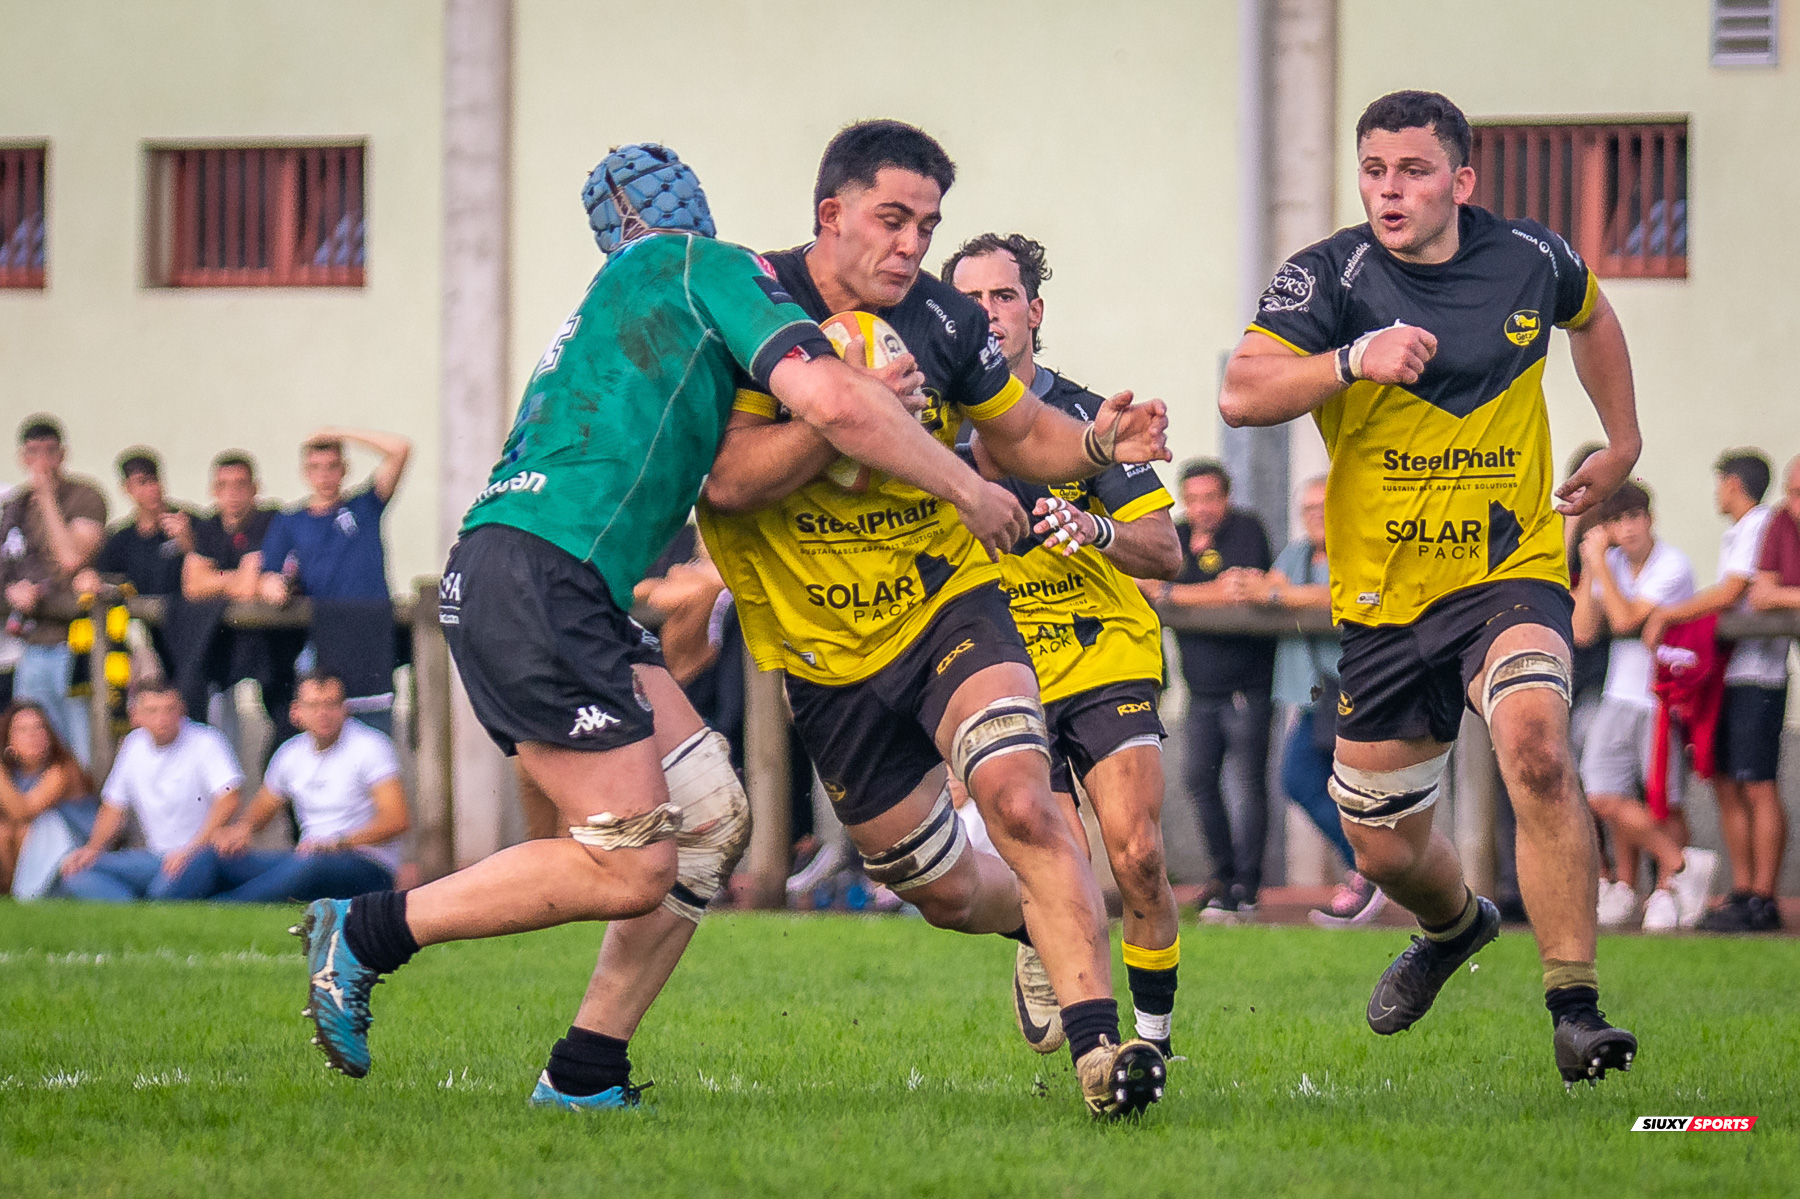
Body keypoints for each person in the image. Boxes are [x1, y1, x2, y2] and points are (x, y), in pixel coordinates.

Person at [293, 142, 1033, 1111]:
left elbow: (727, 469)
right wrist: (960, 478)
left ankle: (586, 1068)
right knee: (633, 861)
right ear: (696, 210)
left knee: (712, 818)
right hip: (541, 578)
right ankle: (367, 930)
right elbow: (825, 399)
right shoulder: (706, 268)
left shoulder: (626, 294)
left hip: (548, 578)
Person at [696, 120, 1172, 1117]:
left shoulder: (946, 323)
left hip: (947, 601)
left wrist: (1095, 438)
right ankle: (1036, 925)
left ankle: (1098, 1050)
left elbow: (1027, 434)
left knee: (1023, 799)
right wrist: (844, 412)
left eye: (927, 224)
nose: (912, 245)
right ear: (831, 215)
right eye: (893, 219)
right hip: (826, 647)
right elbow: (731, 482)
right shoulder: (747, 307)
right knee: (944, 888)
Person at [1219, 90, 1644, 1087]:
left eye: (1411, 170)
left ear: (1462, 180)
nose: (1388, 189)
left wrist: (1622, 442)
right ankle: (1455, 925)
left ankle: (1574, 1006)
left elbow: (1595, 314)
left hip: (1509, 569)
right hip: (1383, 603)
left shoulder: (1531, 256)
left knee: (1536, 746)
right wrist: (1349, 358)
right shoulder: (1329, 274)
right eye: (1373, 170)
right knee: (1379, 847)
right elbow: (1240, 393)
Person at [944, 231, 1185, 1056]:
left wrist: (1094, 526)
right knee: (1062, 861)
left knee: (1141, 853)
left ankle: (1151, 1040)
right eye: (969, 300)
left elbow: (1166, 548)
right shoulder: (927, 426)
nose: (987, 314)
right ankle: (1058, 969)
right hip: (999, 662)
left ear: (1033, 311)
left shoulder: (1086, 416)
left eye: (1002, 296)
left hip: (1104, 648)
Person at [1645, 451, 1786, 931]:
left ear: (1733, 484)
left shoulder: (1761, 524)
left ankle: (1764, 896)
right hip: (1731, 673)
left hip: (1759, 673)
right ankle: (1743, 891)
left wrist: (1669, 613)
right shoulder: (1744, 530)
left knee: (1757, 784)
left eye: (1720, 483)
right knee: (1727, 782)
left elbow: (1731, 592)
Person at [1570, 482, 1716, 931]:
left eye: (1634, 517)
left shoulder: (1672, 564)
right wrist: (1593, 568)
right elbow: (1582, 630)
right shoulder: (1609, 563)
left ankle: (1668, 892)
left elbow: (1627, 619)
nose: (1627, 529)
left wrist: (1601, 567)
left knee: (1663, 801)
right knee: (1600, 794)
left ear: (1650, 518)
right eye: (1617, 521)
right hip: (1618, 694)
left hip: (1660, 698)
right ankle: (1683, 865)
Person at [1262, 475, 1385, 926]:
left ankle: (1375, 871)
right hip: (1316, 697)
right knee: (1298, 779)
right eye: (1308, 509)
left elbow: (1345, 597)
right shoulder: (1297, 553)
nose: (1315, 516)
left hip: (1363, 693)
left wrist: (1279, 595)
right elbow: (1265, 585)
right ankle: (1368, 867)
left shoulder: (1359, 549)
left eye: (1323, 506)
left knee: (1365, 793)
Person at [1158, 459, 1277, 923]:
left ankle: (1246, 887)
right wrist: (1188, 590)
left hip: (1246, 687)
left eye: (1210, 497)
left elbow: (1240, 591)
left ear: (1225, 497)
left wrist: (1174, 592)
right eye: (1193, 498)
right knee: (1198, 780)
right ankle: (1222, 878)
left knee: (1247, 784)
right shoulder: (1175, 533)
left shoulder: (1247, 529)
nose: (1202, 508)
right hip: (1199, 689)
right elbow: (1148, 585)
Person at [187, 673, 408, 902]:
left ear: (345, 709)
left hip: (365, 863)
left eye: (330, 705)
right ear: (296, 712)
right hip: (306, 858)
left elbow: (397, 820)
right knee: (214, 858)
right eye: (313, 706)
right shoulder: (290, 753)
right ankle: (169, 905)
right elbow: (264, 806)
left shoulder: (372, 746)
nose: (323, 714)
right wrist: (241, 830)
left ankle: (223, 907)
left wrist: (338, 843)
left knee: (311, 865)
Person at [259, 427, 411, 735]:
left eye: (332, 466)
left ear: (344, 470)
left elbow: (400, 449)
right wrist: (272, 588)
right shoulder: (290, 522)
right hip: (324, 645)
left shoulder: (365, 506)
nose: (324, 475)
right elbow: (268, 576)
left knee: (377, 740)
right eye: (316, 467)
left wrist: (339, 432)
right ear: (305, 473)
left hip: (371, 641)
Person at [59, 678, 242, 901]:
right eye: (152, 711)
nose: (162, 719)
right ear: (135, 716)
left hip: (201, 856)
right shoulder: (132, 746)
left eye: (169, 710)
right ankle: (135, 912)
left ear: (182, 710)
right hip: (155, 858)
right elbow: (113, 806)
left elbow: (229, 798)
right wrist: (93, 848)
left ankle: (148, 905)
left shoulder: (207, 740)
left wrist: (192, 850)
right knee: (77, 872)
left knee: (163, 891)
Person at [178, 451, 300, 757]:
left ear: (255, 488)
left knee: (285, 722)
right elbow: (193, 586)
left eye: (241, 485)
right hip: (223, 646)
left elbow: (246, 587)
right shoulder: (207, 526)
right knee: (212, 718)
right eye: (224, 486)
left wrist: (218, 579)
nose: (233, 494)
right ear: (213, 491)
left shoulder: (271, 520)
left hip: (275, 645)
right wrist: (247, 580)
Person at [0, 416, 107, 764]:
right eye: (33, 453)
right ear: (22, 457)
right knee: (33, 754)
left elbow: (71, 559)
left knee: (81, 751)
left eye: (49, 452)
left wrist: (46, 499)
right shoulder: (14, 506)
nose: (42, 461)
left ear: (63, 454)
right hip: (30, 647)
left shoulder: (84, 496)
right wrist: (11, 592)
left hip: (75, 643)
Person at [0, 699, 99, 898]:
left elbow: (23, 811)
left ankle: (17, 895)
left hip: (75, 845)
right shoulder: (13, 772)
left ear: (50, 735)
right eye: (22, 730)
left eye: (39, 728)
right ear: (9, 739)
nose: (32, 736)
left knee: (22, 830)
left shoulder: (63, 768)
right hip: (38, 841)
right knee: (4, 831)